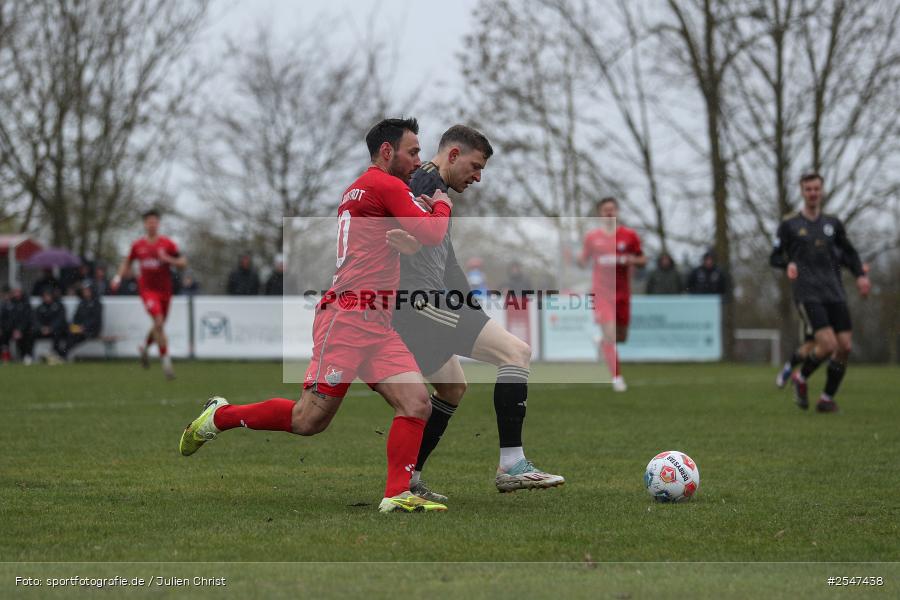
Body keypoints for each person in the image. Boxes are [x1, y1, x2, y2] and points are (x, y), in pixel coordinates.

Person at [179, 117, 454, 513]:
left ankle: (397, 494)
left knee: (416, 403)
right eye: (412, 151)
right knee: (307, 420)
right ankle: (219, 417)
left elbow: (390, 242)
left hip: (375, 320)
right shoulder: (384, 183)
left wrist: (406, 244)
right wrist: (442, 204)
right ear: (388, 151)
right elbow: (432, 233)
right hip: (346, 319)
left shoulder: (364, 188)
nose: (418, 160)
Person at [387, 125, 564, 502]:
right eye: (476, 165)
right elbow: (395, 233)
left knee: (452, 388)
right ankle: (512, 466)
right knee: (516, 353)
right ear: (453, 155)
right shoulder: (422, 183)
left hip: (423, 305)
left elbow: (448, 264)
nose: (478, 177)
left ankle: (409, 480)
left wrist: (472, 309)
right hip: (420, 304)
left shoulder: (436, 192)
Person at [770, 173, 869, 412]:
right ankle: (800, 377)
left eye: (816, 189)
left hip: (835, 292)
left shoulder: (833, 224)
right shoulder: (789, 224)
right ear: (802, 192)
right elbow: (774, 257)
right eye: (808, 189)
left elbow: (850, 252)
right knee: (826, 344)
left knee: (844, 347)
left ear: (822, 191)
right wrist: (788, 264)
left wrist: (861, 276)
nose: (813, 193)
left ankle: (826, 399)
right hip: (807, 293)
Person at [578, 197, 647, 392]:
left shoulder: (629, 236)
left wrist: (630, 259)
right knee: (610, 335)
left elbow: (643, 259)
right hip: (601, 293)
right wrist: (576, 259)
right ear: (600, 213)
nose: (609, 213)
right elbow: (583, 261)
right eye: (605, 210)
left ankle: (601, 342)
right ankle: (617, 377)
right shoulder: (592, 238)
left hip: (623, 293)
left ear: (617, 212)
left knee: (621, 337)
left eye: (612, 209)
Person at [112, 209, 187, 379]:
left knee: (158, 326)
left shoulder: (167, 244)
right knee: (159, 322)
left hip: (165, 291)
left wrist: (170, 260)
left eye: (154, 222)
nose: (152, 225)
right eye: (149, 222)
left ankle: (145, 348)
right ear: (145, 224)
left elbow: (183, 263)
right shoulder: (138, 245)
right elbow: (127, 262)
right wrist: (117, 277)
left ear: (158, 224)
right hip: (147, 291)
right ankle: (167, 365)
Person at [61, 284, 103, 360]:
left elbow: (95, 319)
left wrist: (84, 326)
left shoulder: (97, 304)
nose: (85, 292)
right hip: (79, 328)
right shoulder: (82, 303)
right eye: (84, 290)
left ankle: (63, 354)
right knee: (67, 332)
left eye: (87, 290)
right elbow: (76, 317)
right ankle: (61, 353)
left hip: (91, 330)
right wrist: (74, 325)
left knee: (74, 336)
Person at [33, 289, 67, 362]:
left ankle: (56, 354)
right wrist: (41, 328)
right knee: (30, 333)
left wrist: (51, 328)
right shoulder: (40, 307)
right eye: (45, 296)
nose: (46, 298)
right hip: (42, 330)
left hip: (54, 330)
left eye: (48, 296)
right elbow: (36, 320)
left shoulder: (58, 306)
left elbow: (60, 319)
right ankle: (29, 355)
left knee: (58, 333)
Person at [1, 288, 34, 364]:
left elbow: (27, 319)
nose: (16, 294)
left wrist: (19, 329)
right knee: (3, 336)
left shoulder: (26, 304)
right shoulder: (8, 304)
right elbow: (4, 318)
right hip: (9, 329)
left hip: (22, 329)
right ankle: (5, 356)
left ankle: (26, 355)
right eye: (14, 292)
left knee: (28, 335)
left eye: (18, 292)